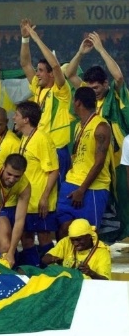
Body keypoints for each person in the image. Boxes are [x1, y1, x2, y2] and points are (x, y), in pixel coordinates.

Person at [65, 32, 129, 240]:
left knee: (124, 199)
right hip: (93, 162)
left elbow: (119, 77)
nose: (93, 92)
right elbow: (71, 74)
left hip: (117, 161)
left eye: (97, 88)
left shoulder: (114, 97)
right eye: (89, 88)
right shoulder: (88, 98)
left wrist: (100, 49)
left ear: (105, 84)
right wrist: (81, 53)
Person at [20, 19, 72, 182]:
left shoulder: (60, 91)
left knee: (57, 190)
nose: (37, 74)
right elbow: (25, 64)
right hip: (38, 145)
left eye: (41, 71)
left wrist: (35, 37)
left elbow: (56, 66)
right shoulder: (38, 88)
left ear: (51, 74)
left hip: (56, 148)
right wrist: (25, 39)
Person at [56, 87, 112, 238]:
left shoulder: (101, 127)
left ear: (78, 103)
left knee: (88, 234)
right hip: (71, 182)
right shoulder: (79, 126)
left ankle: (88, 261)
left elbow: (99, 162)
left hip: (92, 188)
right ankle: (64, 261)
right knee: (63, 228)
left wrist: (82, 190)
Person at [13, 101, 59, 267]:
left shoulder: (42, 139)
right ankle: (32, 271)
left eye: (16, 115)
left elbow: (54, 170)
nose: (14, 118)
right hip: (27, 201)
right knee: (26, 237)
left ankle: (50, 273)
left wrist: (45, 197)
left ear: (26, 119)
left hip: (40, 200)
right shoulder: (24, 138)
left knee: (44, 236)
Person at [42, 218, 111, 280]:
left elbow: (105, 281)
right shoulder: (66, 242)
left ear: (89, 236)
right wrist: (55, 259)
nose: (75, 244)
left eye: (78, 240)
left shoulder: (102, 252)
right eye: (73, 240)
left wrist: (90, 273)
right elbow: (45, 259)